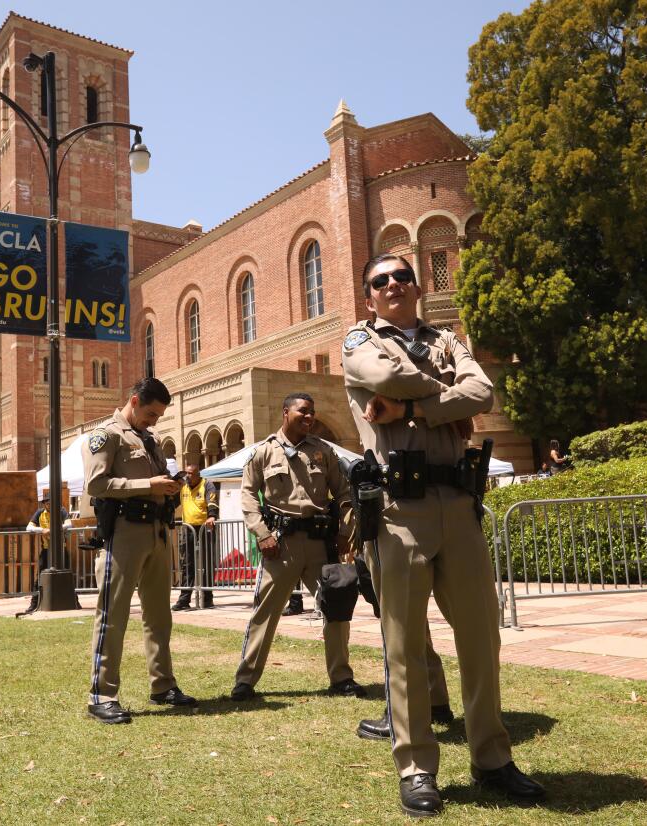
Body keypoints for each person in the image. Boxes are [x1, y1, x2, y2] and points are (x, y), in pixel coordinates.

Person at [343, 255, 545, 816]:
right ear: (369, 297)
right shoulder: (359, 340)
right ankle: (416, 768)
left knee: (481, 635)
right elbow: (385, 379)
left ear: (417, 286)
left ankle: (492, 759)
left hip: (458, 504)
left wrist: (412, 408)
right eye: (381, 280)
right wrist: (445, 399)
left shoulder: (448, 338)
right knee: (405, 644)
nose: (393, 284)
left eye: (402, 276)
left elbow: (483, 392)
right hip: (398, 509)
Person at [230, 393, 366, 701]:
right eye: (303, 411)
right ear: (285, 412)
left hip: (321, 544)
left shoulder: (324, 451)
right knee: (265, 612)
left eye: (312, 412)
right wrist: (262, 533)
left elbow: (344, 492)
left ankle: (341, 677)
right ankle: (245, 681)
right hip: (281, 545)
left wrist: (347, 531)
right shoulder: (263, 452)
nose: (310, 417)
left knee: (336, 608)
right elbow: (248, 496)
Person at [82, 378, 197, 723]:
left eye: (158, 416)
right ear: (134, 401)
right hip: (124, 534)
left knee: (159, 616)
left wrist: (171, 484)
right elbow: (96, 484)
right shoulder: (106, 435)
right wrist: (148, 484)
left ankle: (163, 685)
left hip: (157, 532)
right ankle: (102, 695)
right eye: (151, 414)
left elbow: (157, 479)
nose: (154, 421)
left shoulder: (150, 439)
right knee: (113, 616)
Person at [172, 462, 217, 611]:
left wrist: (212, 516)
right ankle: (184, 600)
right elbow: (172, 502)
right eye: (186, 473)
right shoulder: (183, 486)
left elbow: (212, 502)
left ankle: (207, 599)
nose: (188, 476)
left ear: (198, 474)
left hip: (205, 528)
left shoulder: (207, 485)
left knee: (207, 563)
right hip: (188, 529)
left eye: (191, 474)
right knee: (186, 564)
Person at [22, 490, 70, 614]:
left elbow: (69, 524)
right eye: (47, 503)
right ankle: (33, 604)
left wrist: (54, 529)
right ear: (44, 504)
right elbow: (29, 527)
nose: (49, 505)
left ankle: (74, 601)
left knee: (68, 576)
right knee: (39, 577)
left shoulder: (61, 511)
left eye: (51, 503)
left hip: (61, 550)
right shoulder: (39, 513)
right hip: (46, 550)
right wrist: (42, 530)